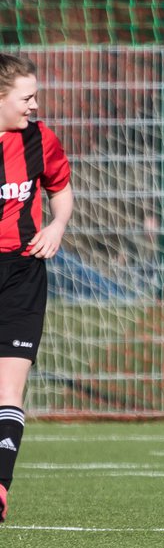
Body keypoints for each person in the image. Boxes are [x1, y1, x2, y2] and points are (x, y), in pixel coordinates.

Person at [0, 53, 74, 523]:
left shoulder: (40, 138)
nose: (34, 105)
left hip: (23, 273)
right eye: (26, 97)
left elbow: (61, 190)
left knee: (10, 388)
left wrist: (57, 227)